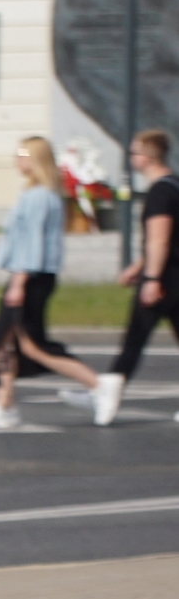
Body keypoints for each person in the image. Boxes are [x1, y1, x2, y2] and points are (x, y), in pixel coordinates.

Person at [0, 137, 98, 430]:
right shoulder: (41, 194)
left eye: (22, 155)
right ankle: (4, 405)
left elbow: (32, 244)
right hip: (32, 276)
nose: (17, 160)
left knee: (25, 345)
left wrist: (18, 282)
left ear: (35, 159)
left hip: (29, 278)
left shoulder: (39, 196)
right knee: (7, 344)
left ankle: (97, 386)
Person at [95, 128, 179, 425]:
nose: (131, 158)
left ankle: (106, 398)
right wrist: (138, 266)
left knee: (134, 340)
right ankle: (106, 393)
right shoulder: (175, 185)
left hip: (165, 278)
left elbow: (160, 240)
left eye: (134, 152)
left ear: (147, 156)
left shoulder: (159, 192)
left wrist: (151, 277)